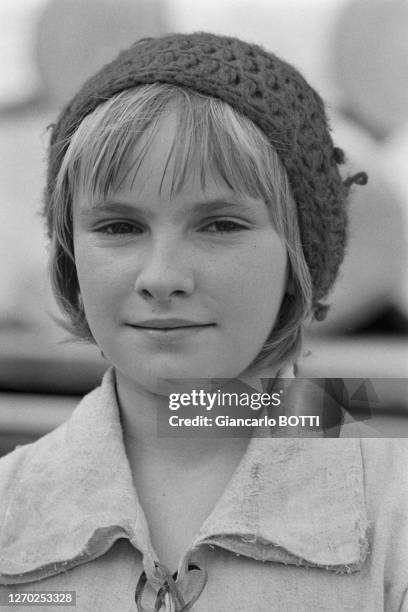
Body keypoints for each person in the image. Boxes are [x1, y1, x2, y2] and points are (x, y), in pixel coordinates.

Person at [0, 32, 407, 611]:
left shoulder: (396, 516)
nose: (162, 276)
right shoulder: (7, 511)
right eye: (119, 226)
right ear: (71, 256)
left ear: (299, 258)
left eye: (219, 225)